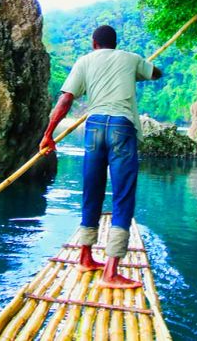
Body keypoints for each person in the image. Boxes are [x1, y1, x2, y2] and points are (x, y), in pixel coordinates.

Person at [39, 25, 162, 289]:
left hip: (93, 128)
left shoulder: (84, 61)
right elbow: (156, 73)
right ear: (114, 44)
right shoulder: (130, 58)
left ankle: (85, 257)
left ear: (94, 43)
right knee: (122, 195)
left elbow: (65, 100)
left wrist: (48, 134)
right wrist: (138, 71)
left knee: (91, 191)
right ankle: (111, 271)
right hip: (121, 127)